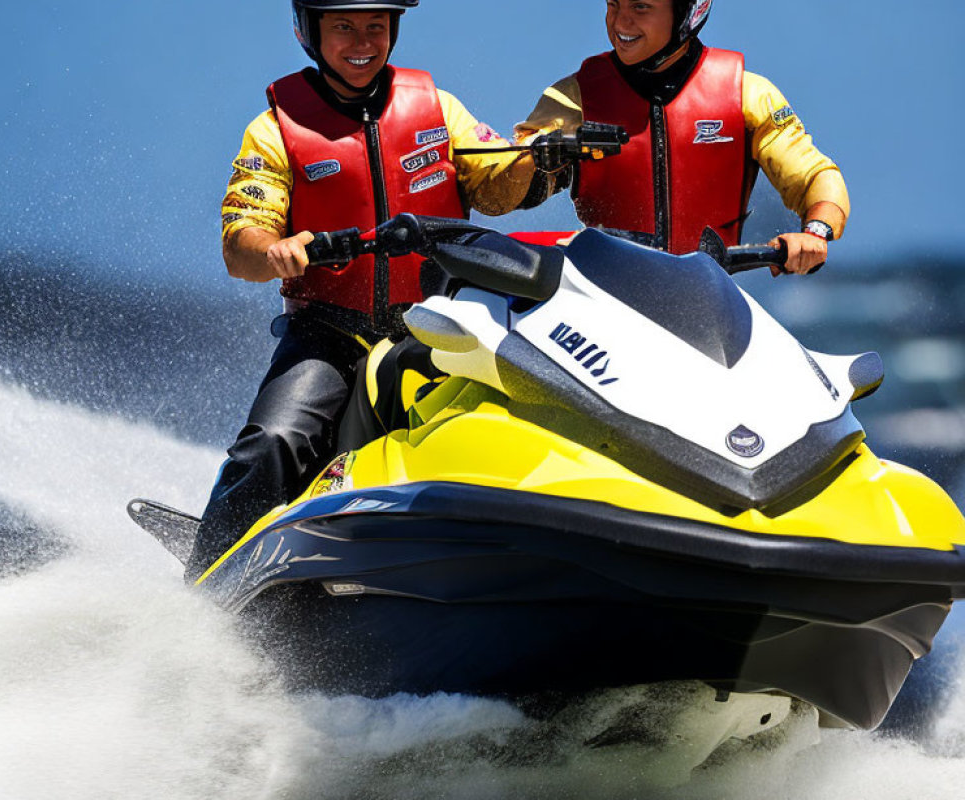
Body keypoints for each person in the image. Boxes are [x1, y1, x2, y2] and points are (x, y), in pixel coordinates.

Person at [188, 0, 535, 581]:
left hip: (438, 327)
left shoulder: (437, 107)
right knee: (274, 441)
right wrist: (272, 249)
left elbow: (497, 188)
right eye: (344, 26)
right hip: (329, 333)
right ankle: (203, 585)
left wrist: (536, 159)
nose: (362, 41)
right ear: (310, 31)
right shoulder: (274, 129)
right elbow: (240, 246)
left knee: (529, 412)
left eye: (376, 25)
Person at [514, 0, 850, 275]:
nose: (620, 22)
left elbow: (815, 177)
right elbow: (508, 188)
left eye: (640, 7)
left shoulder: (748, 95)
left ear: (686, 14)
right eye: (613, 4)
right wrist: (528, 162)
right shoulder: (573, 99)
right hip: (600, 301)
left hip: (708, 304)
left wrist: (815, 233)